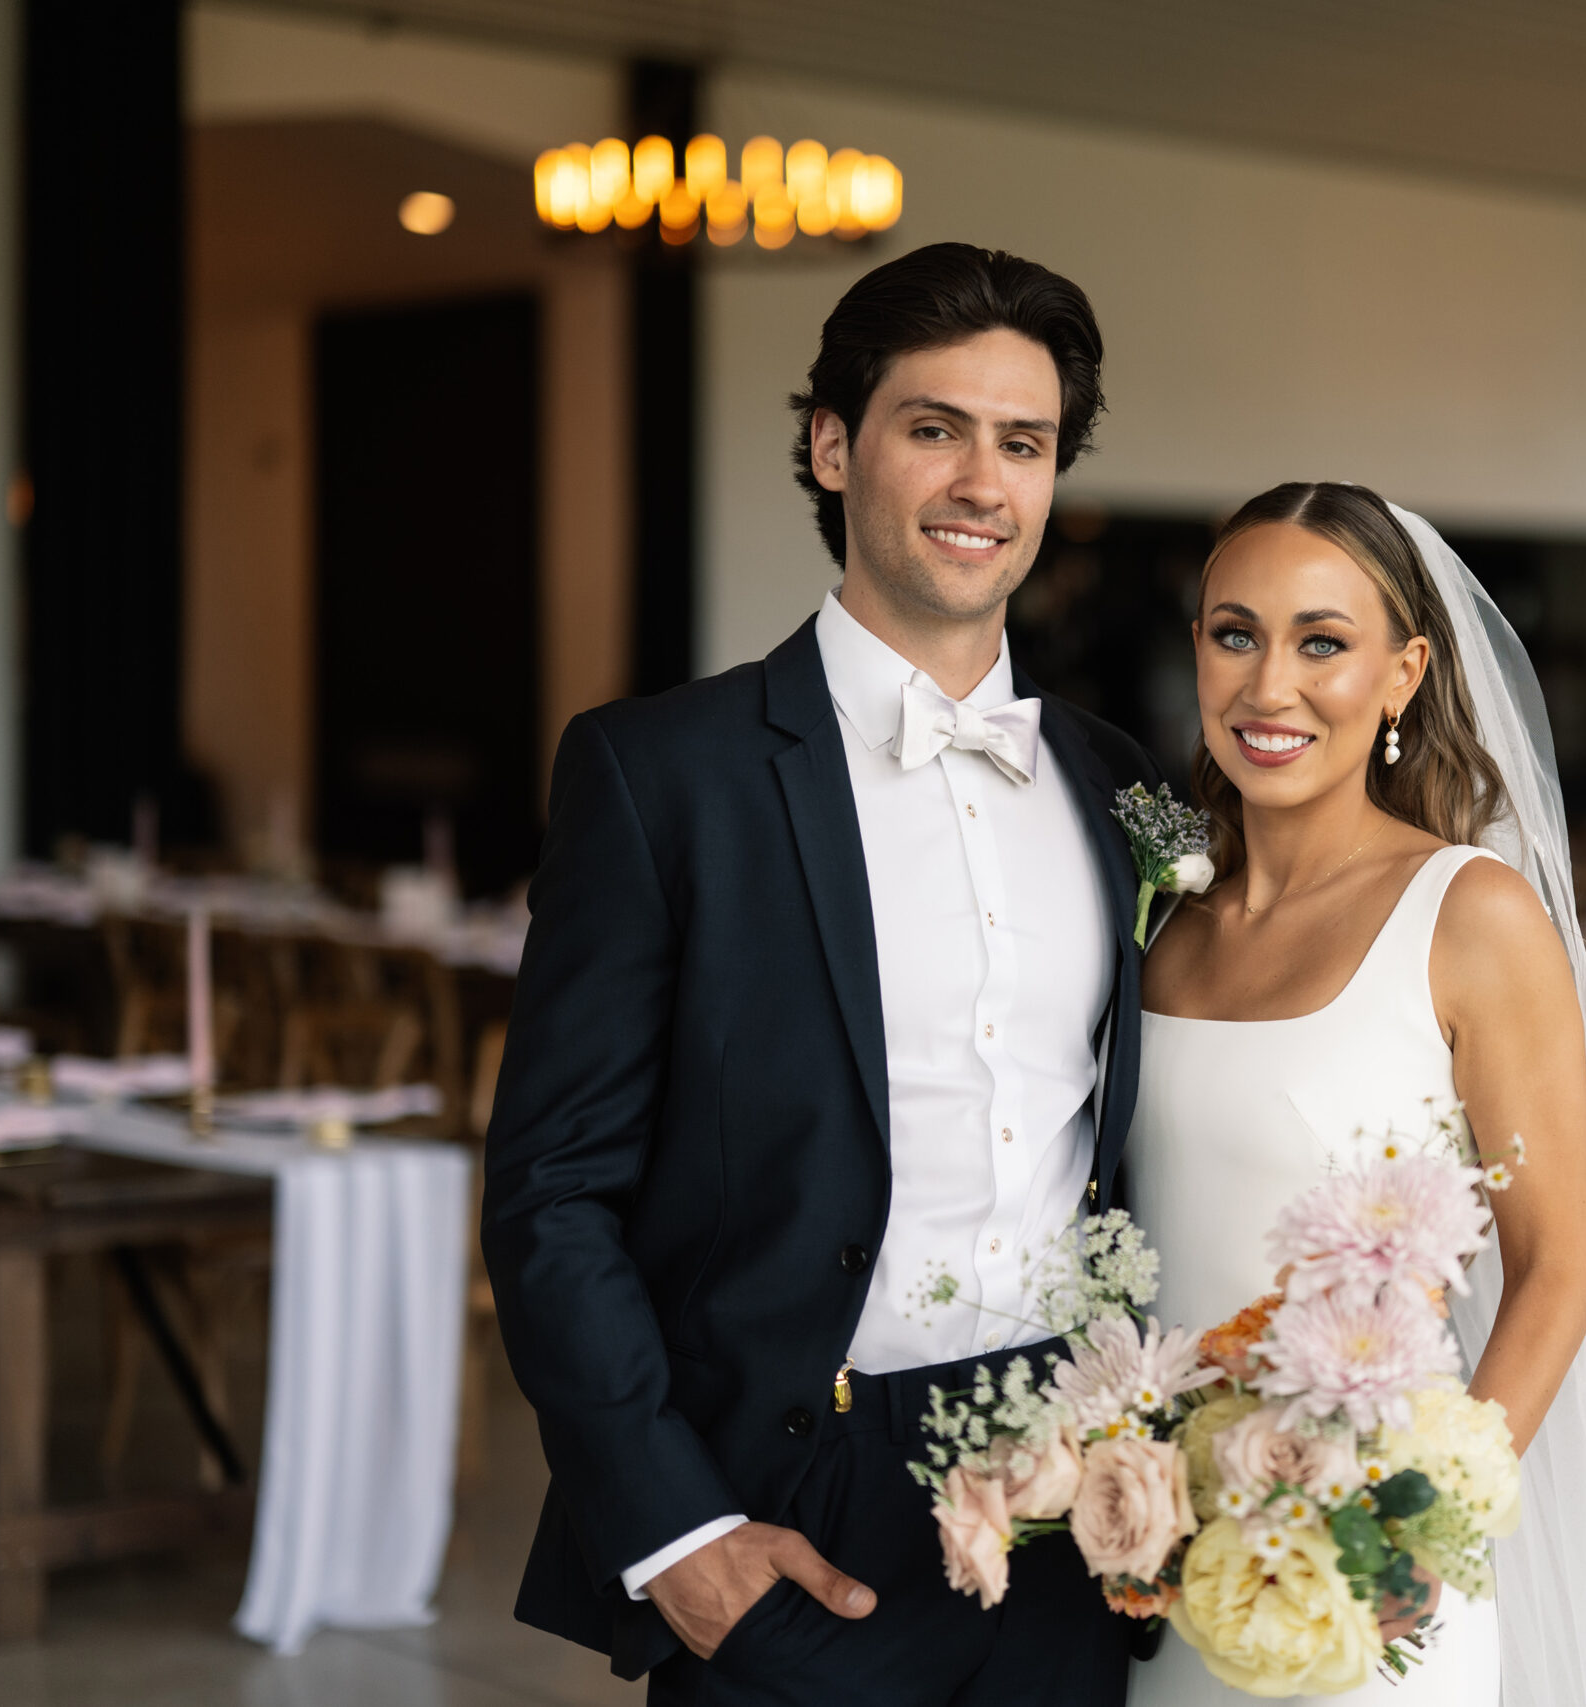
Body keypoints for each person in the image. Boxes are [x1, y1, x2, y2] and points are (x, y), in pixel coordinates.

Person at [482, 243, 1159, 1706]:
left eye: (1024, 443)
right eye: (936, 428)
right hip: (795, 1499)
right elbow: (551, 1192)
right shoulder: (662, 772)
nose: (985, 481)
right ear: (833, 443)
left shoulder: (1122, 789)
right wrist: (679, 1534)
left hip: (1077, 1509)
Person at [1126, 483, 1586, 1707]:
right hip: (1161, 1561)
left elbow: (1559, 1267)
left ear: (1403, 673)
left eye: (1323, 643)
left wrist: (1410, 1535)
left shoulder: (1469, 917)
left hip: (1367, 1579)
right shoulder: (1161, 915)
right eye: (1234, 633)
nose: (1268, 686)